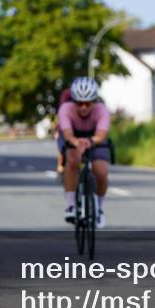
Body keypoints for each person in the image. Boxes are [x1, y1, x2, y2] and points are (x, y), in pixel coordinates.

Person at [58, 77, 110, 228]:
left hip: (95, 139)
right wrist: (77, 143)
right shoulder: (65, 109)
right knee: (72, 161)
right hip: (74, 138)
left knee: (101, 171)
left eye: (88, 103)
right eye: (79, 103)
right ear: (73, 101)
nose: (83, 107)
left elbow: (101, 134)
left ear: (94, 101)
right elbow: (67, 134)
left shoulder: (102, 110)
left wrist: (90, 141)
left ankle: (99, 208)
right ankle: (71, 205)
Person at [54, 86, 72, 174]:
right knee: (62, 148)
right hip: (64, 128)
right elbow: (60, 115)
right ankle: (60, 165)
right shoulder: (66, 96)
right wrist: (58, 130)